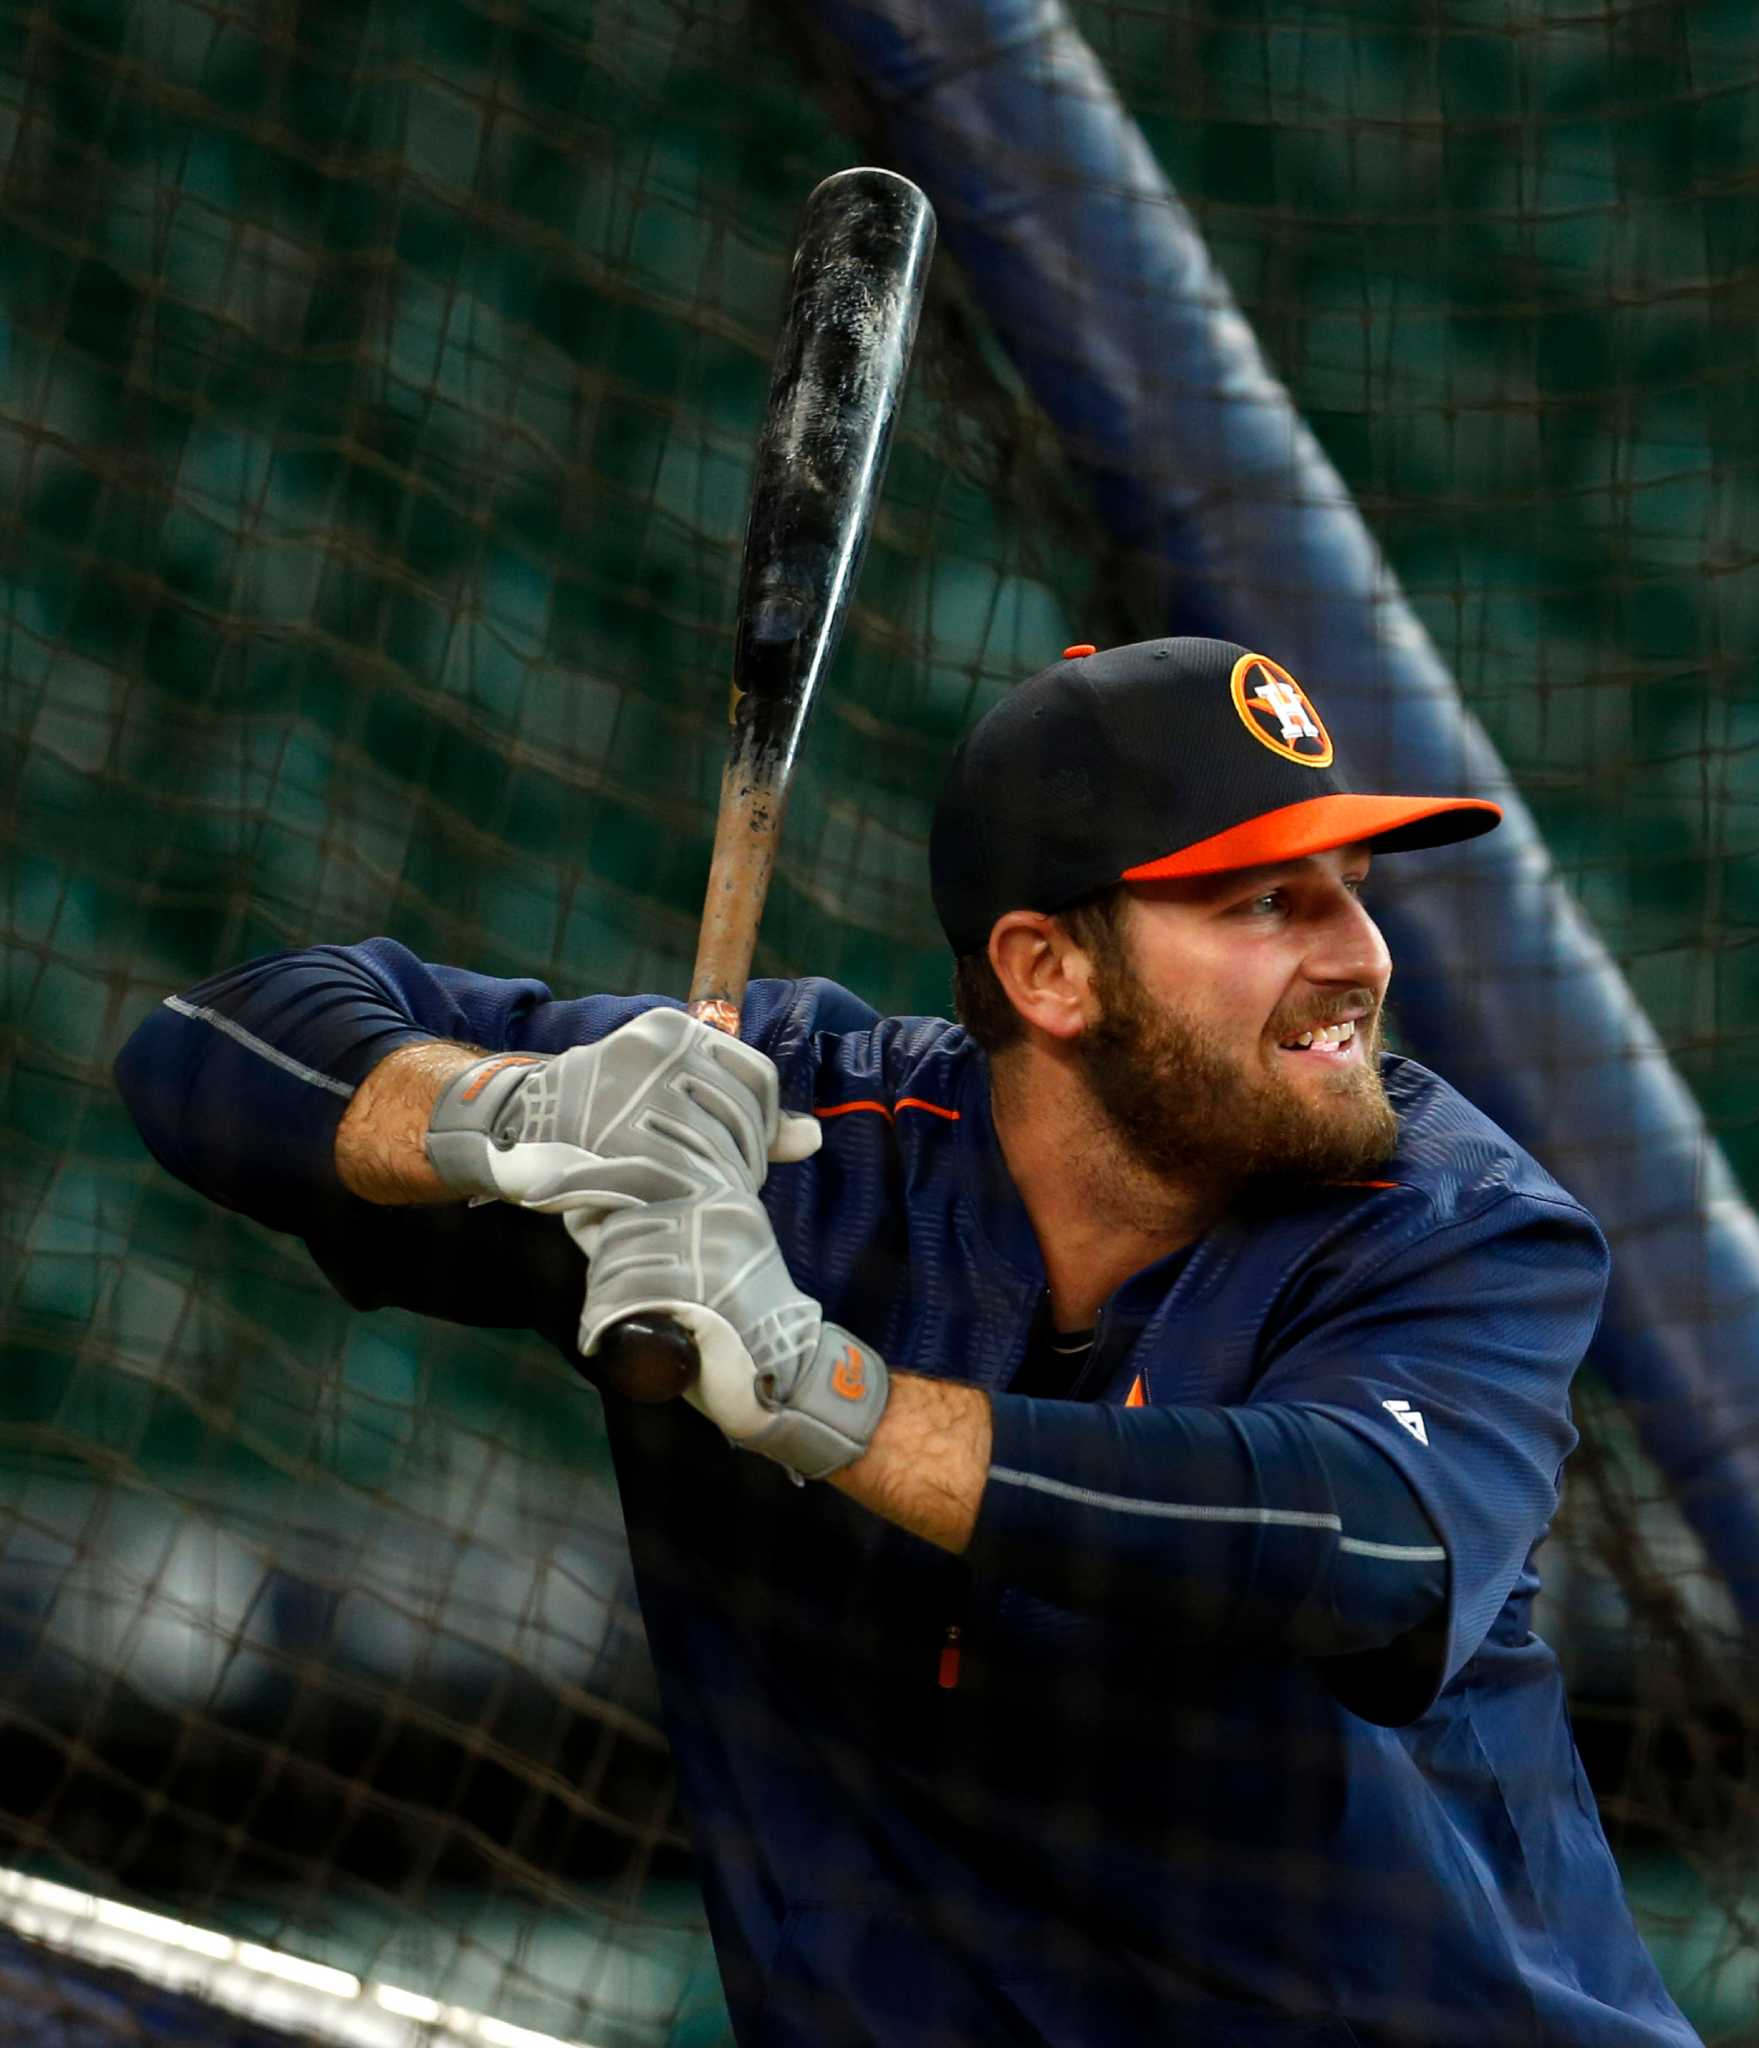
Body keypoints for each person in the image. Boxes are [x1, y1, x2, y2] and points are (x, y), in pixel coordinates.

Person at [115, 638, 1699, 2048]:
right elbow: (211, 1048)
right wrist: (517, 1118)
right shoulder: (801, 1129)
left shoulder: (1455, 1219)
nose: (1359, 953)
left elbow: (1360, 1542)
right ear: (1048, 971)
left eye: (1352, 889)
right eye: (1261, 903)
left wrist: (818, 1390)